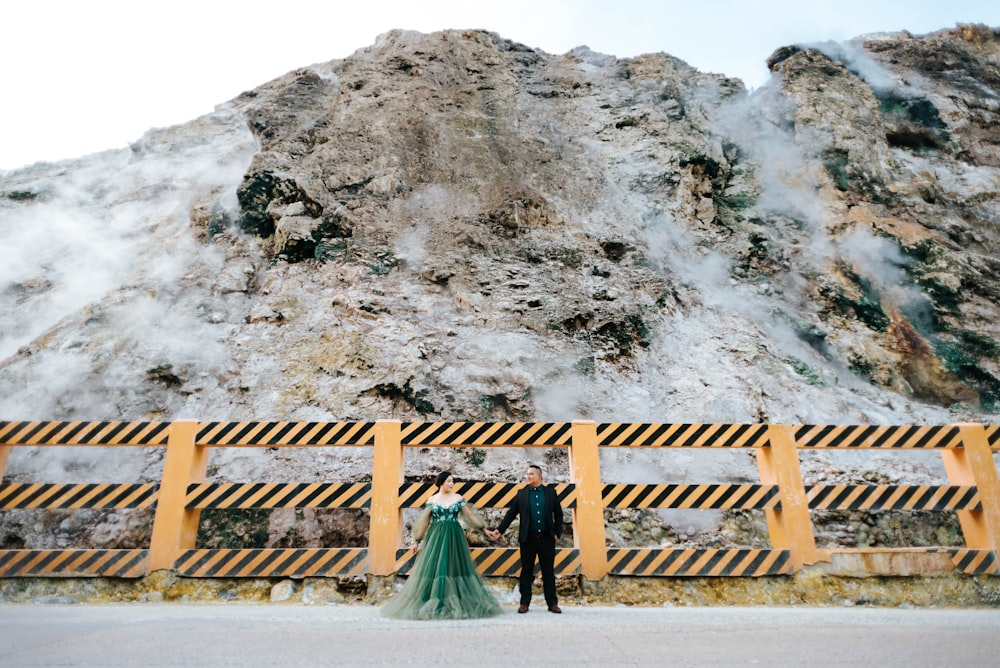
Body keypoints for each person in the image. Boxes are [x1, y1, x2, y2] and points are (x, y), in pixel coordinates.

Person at [381, 471, 502, 620]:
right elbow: (424, 521)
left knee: (454, 565)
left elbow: (469, 516)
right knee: (436, 566)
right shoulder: (432, 500)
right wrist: (417, 540)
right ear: (442, 482)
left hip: (454, 535)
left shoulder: (458, 498)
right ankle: (432, 600)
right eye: (450, 481)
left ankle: (456, 599)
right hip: (436, 536)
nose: (452, 484)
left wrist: (483, 529)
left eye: (453, 481)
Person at [486, 464, 564, 614]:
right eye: (527, 474)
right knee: (526, 571)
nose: (528, 477)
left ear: (539, 476)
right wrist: (500, 530)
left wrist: (557, 533)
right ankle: (524, 603)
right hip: (528, 538)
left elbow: (559, 514)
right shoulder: (521, 494)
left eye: (531, 474)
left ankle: (552, 603)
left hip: (547, 538)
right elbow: (511, 513)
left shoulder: (550, 493)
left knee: (548, 571)